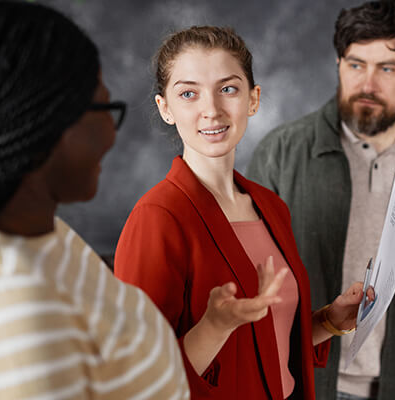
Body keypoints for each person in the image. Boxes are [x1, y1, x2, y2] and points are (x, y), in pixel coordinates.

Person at [113, 26, 370, 400]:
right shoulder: (157, 216)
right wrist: (215, 327)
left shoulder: (270, 206)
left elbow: (267, 341)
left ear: (253, 98)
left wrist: (329, 321)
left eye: (228, 89)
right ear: (165, 109)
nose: (212, 110)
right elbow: (138, 378)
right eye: (189, 93)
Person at [247, 1, 395, 399]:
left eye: (387, 68)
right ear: (339, 64)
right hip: (300, 387)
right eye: (356, 65)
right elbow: (251, 291)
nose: (368, 84)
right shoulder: (282, 152)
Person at [0, 2, 189, 399]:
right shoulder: (24, 327)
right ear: (43, 123)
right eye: (103, 107)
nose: (112, 136)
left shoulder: (44, 232)